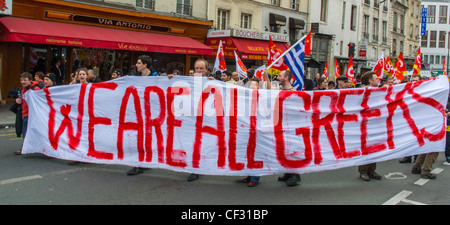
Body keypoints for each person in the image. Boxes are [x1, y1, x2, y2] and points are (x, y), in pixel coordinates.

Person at [127, 56, 153, 175]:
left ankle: (145, 162)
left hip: (151, 113)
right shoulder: (135, 78)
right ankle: (140, 163)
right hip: (137, 112)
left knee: (148, 138)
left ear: (145, 65)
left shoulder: (155, 77)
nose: (136, 65)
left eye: (138, 63)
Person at [276, 70, 301, 186]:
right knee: (284, 150)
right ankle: (288, 172)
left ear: (286, 78)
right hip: (281, 124)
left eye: (280, 76)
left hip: (290, 126)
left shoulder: (294, 92)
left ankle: (295, 175)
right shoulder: (280, 90)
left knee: (292, 150)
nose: (277, 77)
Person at [358, 71, 382, 181]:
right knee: (366, 147)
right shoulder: (364, 91)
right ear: (370, 81)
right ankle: (363, 171)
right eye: (376, 78)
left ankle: (372, 170)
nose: (378, 80)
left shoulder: (379, 91)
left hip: (376, 123)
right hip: (366, 124)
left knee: (375, 147)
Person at [15, 72, 40, 155]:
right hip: (25, 113)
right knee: (25, 131)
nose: (23, 82)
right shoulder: (24, 89)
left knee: (34, 132)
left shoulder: (35, 89)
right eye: (21, 80)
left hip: (32, 115)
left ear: (30, 80)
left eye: (25, 80)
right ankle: (26, 147)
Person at [399, 75, 421, 163]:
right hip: (408, 117)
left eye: (416, 80)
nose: (414, 82)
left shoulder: (424, 90)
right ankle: (407, 156)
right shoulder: (408, 90)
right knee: (408, 138)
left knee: (417, 138)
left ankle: (416, 157)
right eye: (413, 80)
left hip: (418, 118)